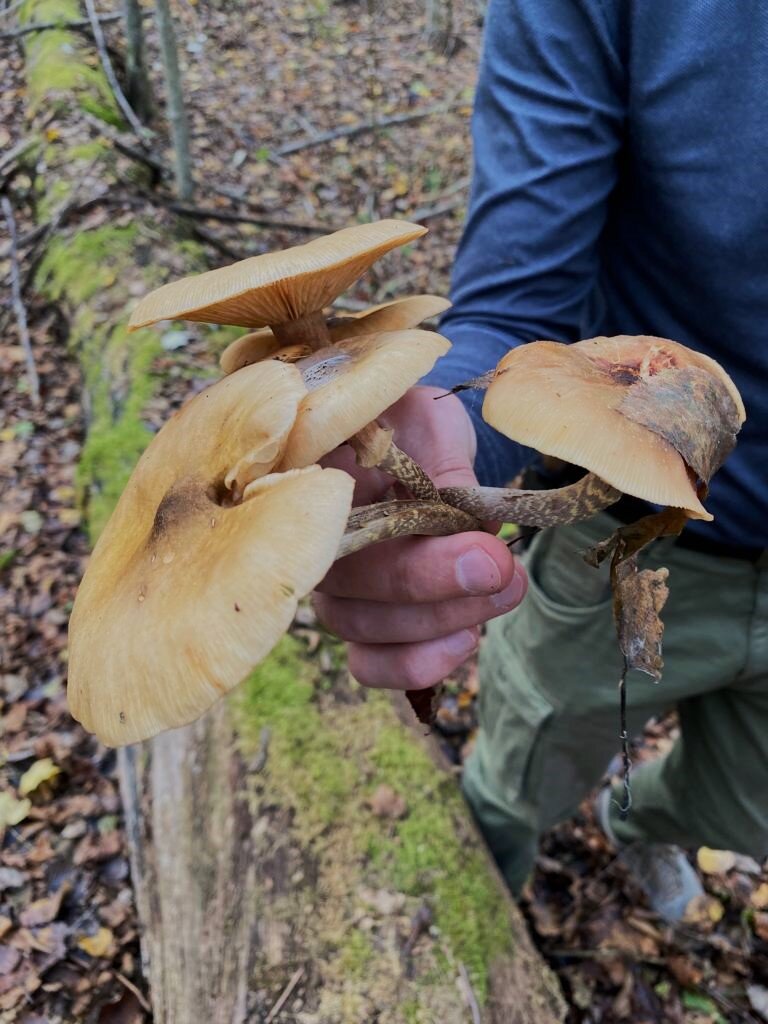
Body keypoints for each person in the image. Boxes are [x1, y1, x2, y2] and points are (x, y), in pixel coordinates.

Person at [315, 0, 768, 921]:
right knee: (523, 768)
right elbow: (519, 307)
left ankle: (643, 825)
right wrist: (444, 434)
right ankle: (487, 898)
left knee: (752, 805)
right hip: (623, 542)